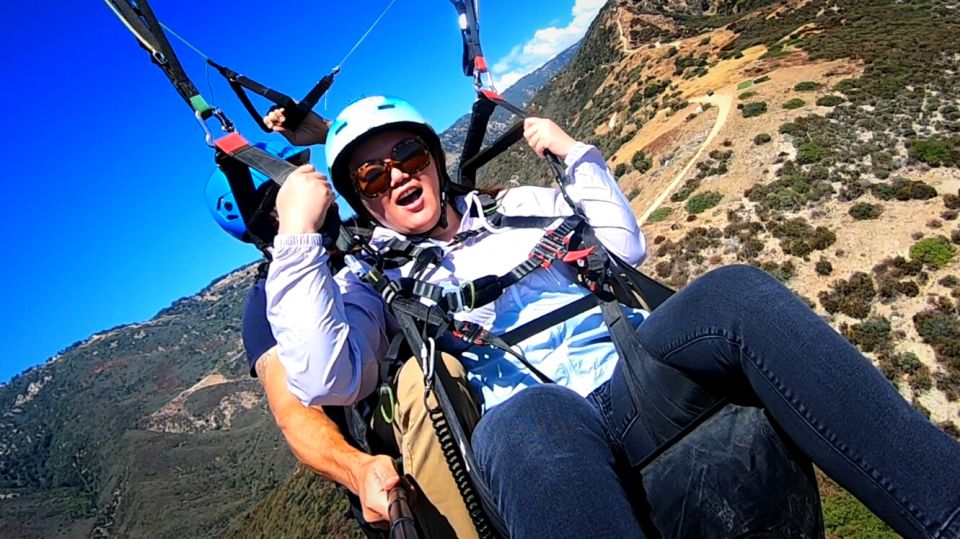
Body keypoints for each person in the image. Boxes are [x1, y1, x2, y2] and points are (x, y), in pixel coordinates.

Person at [263, 95, 960, 539]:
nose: (397, 178)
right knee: (530, 420)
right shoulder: (370, 282)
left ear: (433, 158)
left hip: (630, 379)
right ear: (362, 200)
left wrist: (574, 156)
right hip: (539, 424)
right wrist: (297, 234)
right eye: (371, 178)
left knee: (734, 293)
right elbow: (328, 376)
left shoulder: (516, 208)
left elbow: (623, 249)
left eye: (406, 155)